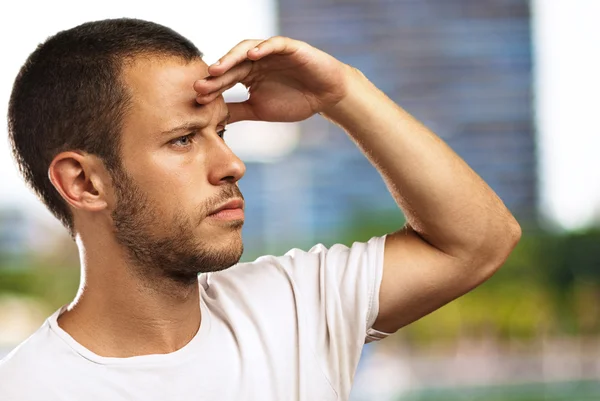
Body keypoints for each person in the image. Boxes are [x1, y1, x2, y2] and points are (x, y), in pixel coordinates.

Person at [0, 18, 521, 401]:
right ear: (85, 182)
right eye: (184, 139)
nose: (232, 163)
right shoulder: (28, 389)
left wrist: (341, 92)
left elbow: (479, 242)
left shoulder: (292, 305)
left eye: (221, 131)